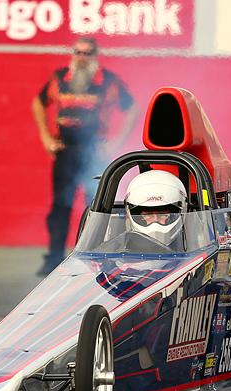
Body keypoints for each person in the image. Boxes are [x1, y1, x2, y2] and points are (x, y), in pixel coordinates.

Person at [32, 37, 139, 275]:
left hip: (94, 151)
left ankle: (97, 257)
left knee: (96, 205)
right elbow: (38, 103)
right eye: (78, 52)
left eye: (87, 53)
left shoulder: (109, 81)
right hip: (66, 150)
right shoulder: (60, 78)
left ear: (95, 55)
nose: (82, 58)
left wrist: (115, 143)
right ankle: (54, 259)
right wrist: (46, 138)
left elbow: (132, 108)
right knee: (60, 205)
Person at [124, 170, 187, 247]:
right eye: (148, 215)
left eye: (162, 214)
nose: (155, 221)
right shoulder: (121, 247)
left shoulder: (195, 244)